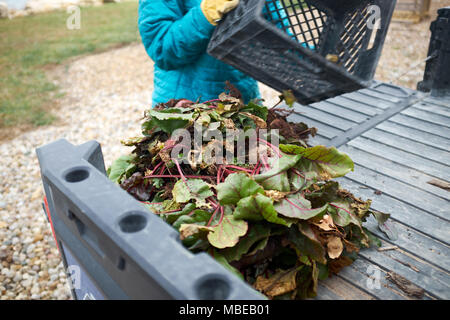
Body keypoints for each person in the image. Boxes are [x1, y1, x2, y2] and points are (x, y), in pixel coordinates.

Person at [138, 0, 260, 107]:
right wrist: (205, 15)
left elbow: (271, 21)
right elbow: (161, 49)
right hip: (187, 109)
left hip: (244, 101)